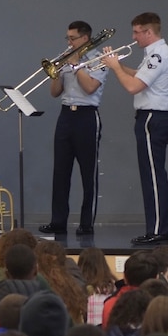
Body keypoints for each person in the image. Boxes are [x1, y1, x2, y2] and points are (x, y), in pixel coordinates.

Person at [101, 12, 168, 246]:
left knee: (153, 177)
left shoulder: (157, 54)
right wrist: (119, 63)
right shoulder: (153, 54)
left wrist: (115, 68)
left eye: (136, 32)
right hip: (152, 117)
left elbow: (134, 87)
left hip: (152, 118)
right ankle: (157, 229)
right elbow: (139, 75)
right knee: (151, 175)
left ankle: (158, 231)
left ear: (148, 32)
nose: (133, 37)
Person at [40, 21, 107, 237]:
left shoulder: (99, 60)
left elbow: (89, 88)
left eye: (72, 38)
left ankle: (86, 224)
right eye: (67, 38)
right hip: (66, 115)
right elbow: (55, 92)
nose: (69, 42)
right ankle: (58, 221)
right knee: (60, 172)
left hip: (87, 116)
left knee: (89, 174)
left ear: (85, 38)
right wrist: (56, 73)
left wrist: (77, 65)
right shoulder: (66, 57)